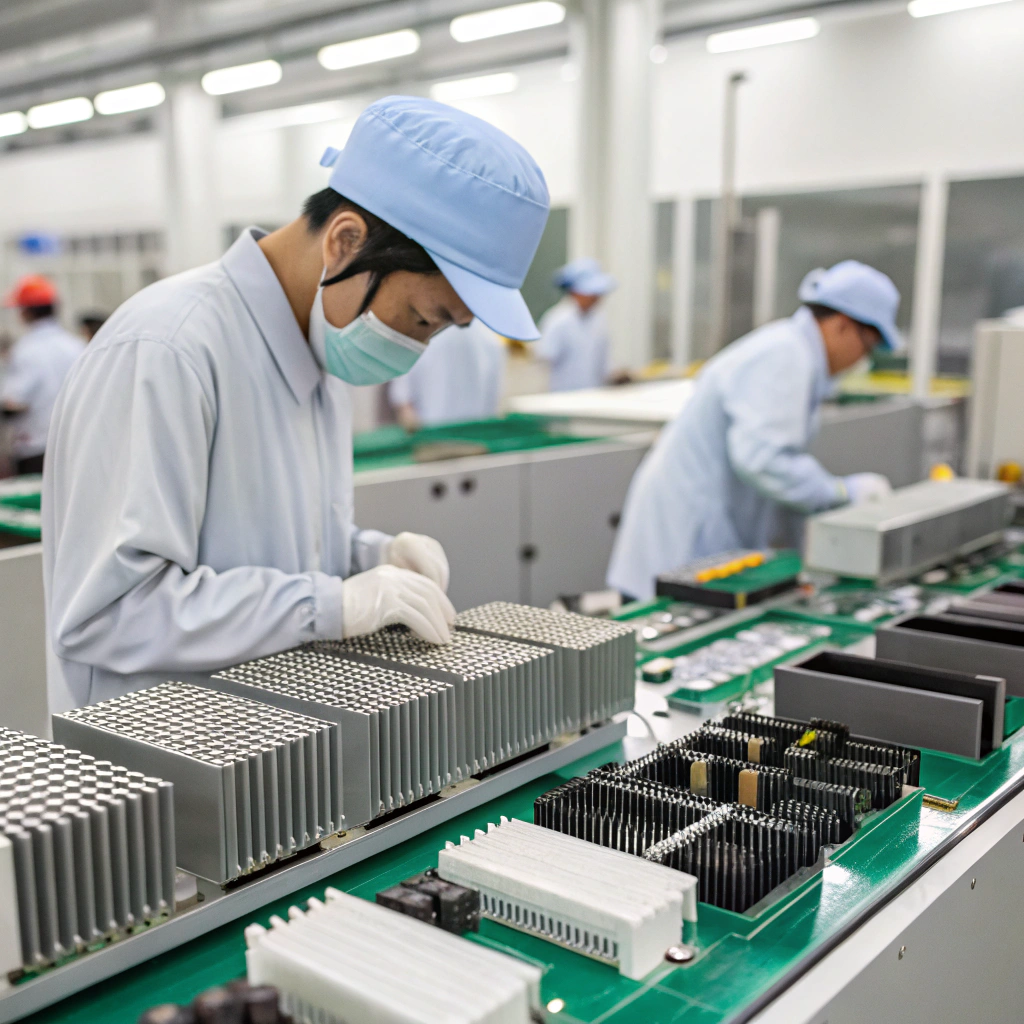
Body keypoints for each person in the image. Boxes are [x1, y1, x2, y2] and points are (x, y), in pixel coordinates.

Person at [43, 95, 549, 709]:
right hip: (155, 775)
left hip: (268, 753)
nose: (415, 347)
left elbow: (277, 550)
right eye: (421, 318)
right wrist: (328, 604)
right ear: (345, 242)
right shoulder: (167, 349)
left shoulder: (320, 343)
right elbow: (109, 612)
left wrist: (370, 557)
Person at [607, 260, 900, 601]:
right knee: (667, 643)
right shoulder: (786, 356)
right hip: (684, 536)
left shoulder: (792, 351)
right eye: (868, 346)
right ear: (843, 326)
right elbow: (763, 460)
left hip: (699, 530)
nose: (862, 360)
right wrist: (839, 492)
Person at [1, 275, 85, 475]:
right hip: (75, 445)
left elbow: (13, 403)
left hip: (36, 448)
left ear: (26, 312)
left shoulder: (26, 351)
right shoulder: (76, 346)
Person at [389, 318, 505, 430]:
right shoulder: (491, 339)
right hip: (477, 438)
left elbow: (404, 404)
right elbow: (494, 403)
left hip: (433, 438)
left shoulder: (418, 336)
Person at [536, 258, 615, 391]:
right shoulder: (557, 321)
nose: (596, 297)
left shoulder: (599, 320)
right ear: (575, 292)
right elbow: (544, 361)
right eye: (591, 293)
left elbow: (603, 364)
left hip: (594, 397)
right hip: (561, 399)